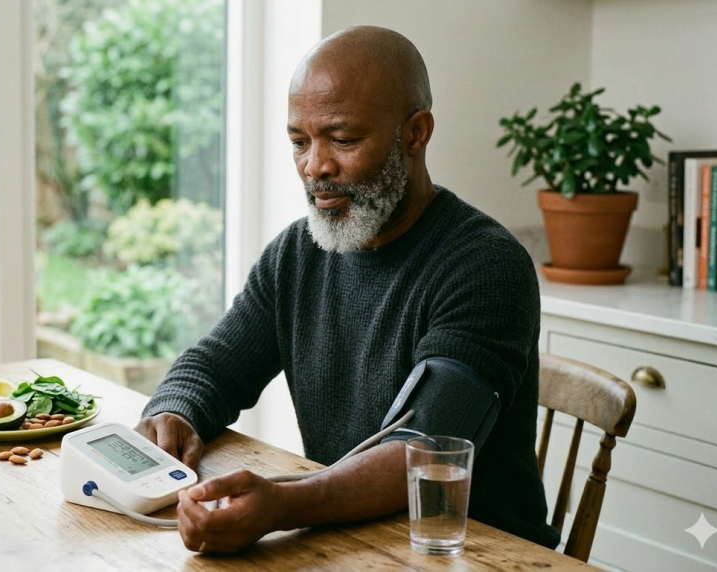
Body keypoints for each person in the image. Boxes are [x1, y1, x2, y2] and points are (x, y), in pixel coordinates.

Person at [135, 25, 560, 553]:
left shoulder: (485, 265)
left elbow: (422, 450)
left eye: (343, 139)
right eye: (299, 142)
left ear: (416, 133)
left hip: (478, 553)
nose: (316, 167)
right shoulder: (297, 254)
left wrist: (284, 506)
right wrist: (175, 411)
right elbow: (215, 365)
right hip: (353, 541)